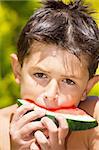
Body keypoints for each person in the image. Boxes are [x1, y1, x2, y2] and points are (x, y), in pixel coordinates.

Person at [0, 0, 99, 149]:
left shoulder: (95, 122)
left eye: (68, 81)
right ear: (17, 70)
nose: (51, 94)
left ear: (87, 87)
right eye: (40, 75)